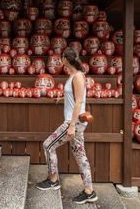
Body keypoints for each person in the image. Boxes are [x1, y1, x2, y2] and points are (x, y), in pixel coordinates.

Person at [36, 47, 98, 204]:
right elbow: (74, 97)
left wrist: (71, 125)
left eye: (62, 57)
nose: (60, 60)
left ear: (66, 59)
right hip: (76, 122)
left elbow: (79, 101)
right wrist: (62, 99)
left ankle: (53, 180)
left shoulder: (77, 76)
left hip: (74, 122)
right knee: (80, 155)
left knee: (48, 145)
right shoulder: (74, 75)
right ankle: (89, 191)